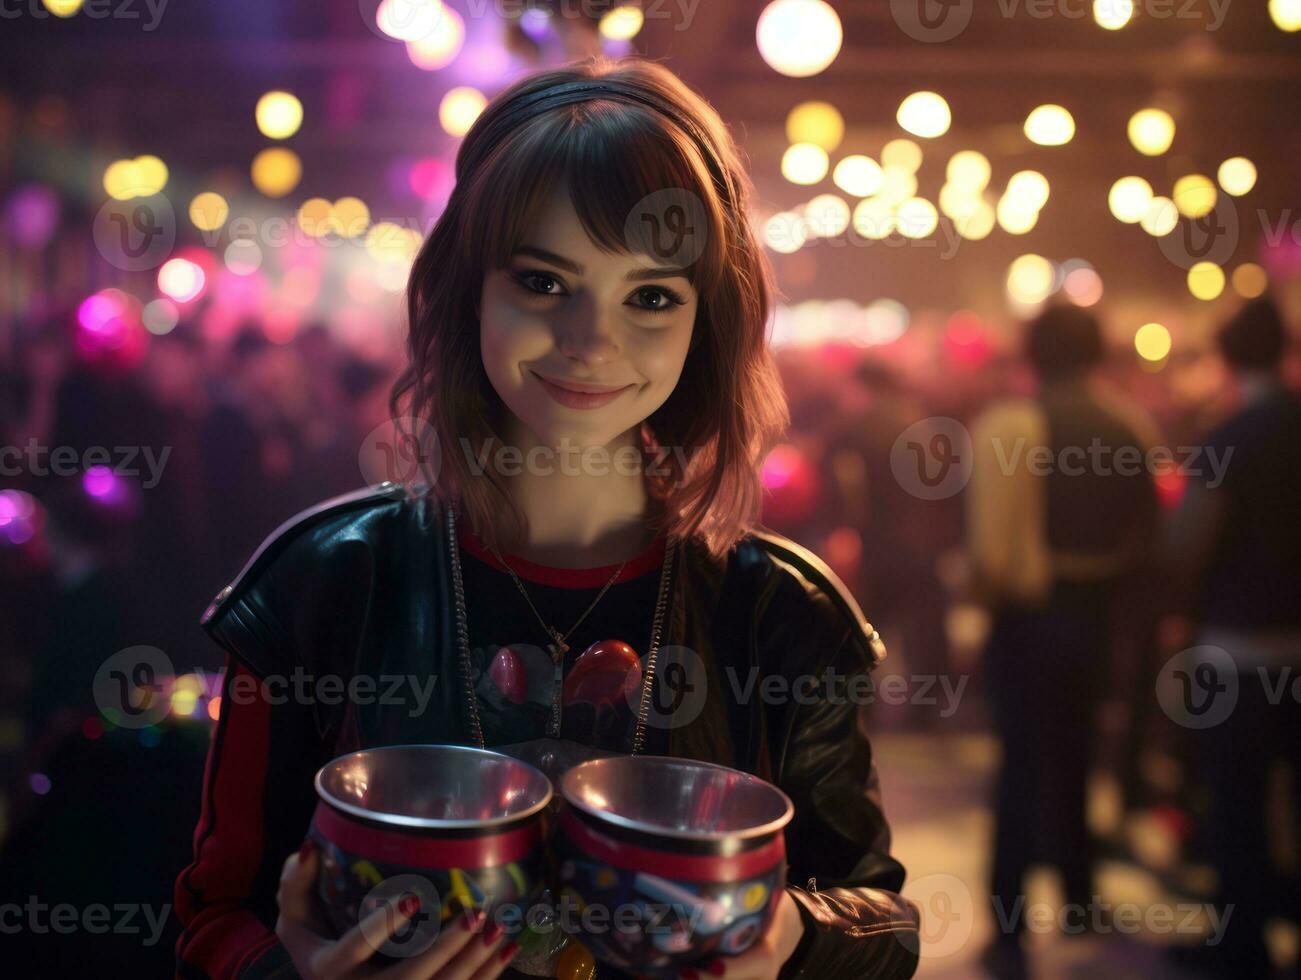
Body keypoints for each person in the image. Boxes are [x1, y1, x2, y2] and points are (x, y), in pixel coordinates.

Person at [174, 58, 920, 980]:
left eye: (650, 296)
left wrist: (794, 940)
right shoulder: (321, 583)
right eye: (542, 281)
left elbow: (880, 916)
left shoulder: (784, 614)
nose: (589, 339)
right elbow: (213, 912)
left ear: (708, 321)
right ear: (467, 288)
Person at [966, 305, 1159, 963]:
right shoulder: (1128, 426)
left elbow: (991, 557)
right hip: (1097, 614)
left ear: (1032, 351)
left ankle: (1008, 930)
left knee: (1018, 771)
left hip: (1026, 619)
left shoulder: (1013, 423)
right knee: (1077, 760)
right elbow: (1149, 532)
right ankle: (1078, 899)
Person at [1165, 296, 1301, 978]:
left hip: (1236, 652)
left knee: (1236, 803)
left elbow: (1189, 543)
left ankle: (1240, 941)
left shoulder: (1228, 437)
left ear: (1225, 355)